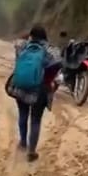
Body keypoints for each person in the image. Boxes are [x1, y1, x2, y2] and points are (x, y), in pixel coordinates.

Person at [6, 25, 60, 162]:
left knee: (23, 114)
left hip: (21, 86)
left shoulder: (22, 46)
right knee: (35, 120)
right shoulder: (51, 51)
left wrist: (27, 37)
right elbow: (59, 63)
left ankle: (23, 142)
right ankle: (31, 151)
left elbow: (17, 42)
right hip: (40, 89)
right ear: (45, 37)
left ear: (31, 36)